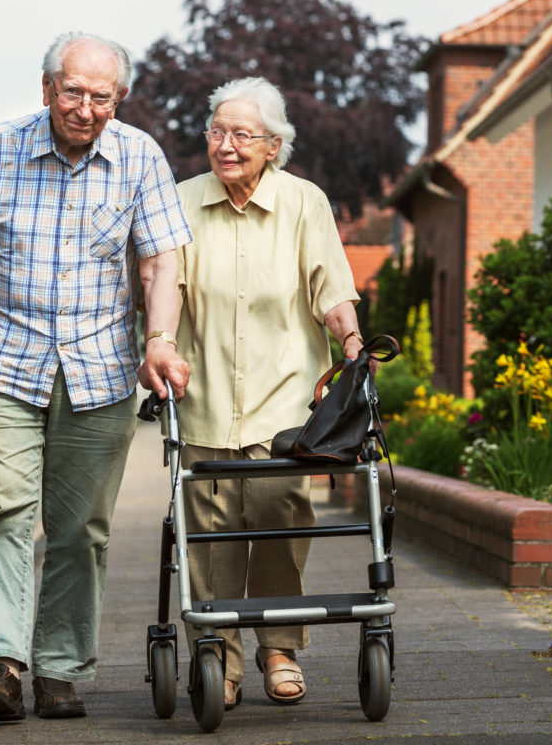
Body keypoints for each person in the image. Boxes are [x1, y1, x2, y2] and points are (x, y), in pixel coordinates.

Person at [0, 32, 192, 722]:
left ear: (119, 100)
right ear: (47, 90)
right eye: (73, 92)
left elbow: (161, 262)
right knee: (8, 508)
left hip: (97, 375)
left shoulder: (139, 158)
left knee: (80, 530)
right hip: (2, 363)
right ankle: (2, 666)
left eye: (103, 97)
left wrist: (159, 340)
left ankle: (61, 669)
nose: (87, 108)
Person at [171, 76, 369, 710]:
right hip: (202, 400)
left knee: (282, 526)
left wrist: (353, 343)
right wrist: (157, 345)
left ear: (274, 144)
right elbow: (163, 292)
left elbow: (331, 287)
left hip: (284, 408)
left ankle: (278, 647)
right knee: (209, 537)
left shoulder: (303, 202)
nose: (225, 145)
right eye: (217, 132)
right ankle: (219, 660)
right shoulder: (180, 202)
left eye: (241, 135)